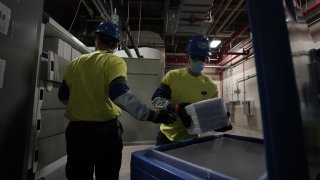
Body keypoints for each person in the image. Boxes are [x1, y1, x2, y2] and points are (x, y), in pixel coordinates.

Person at [58, 21, 176, 180]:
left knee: (78, 175)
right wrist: (152, 115)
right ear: (116, 45)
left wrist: (83, 107)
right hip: (104, 133)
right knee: (107, 175)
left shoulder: (75, 63)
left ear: (97, 40)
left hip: (77, 132)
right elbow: (120, 95)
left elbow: (63, 96)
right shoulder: (114, 61)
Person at [151, 35, 232, 146]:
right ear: (187, 56)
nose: (199, 61)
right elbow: (156, 99)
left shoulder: (211, 86)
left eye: (203, 58)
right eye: (195, 57)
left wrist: (219, 123)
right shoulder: (173, 76)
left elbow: (209, 116)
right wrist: (175, 108)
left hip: (192, 139)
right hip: (167, 135)